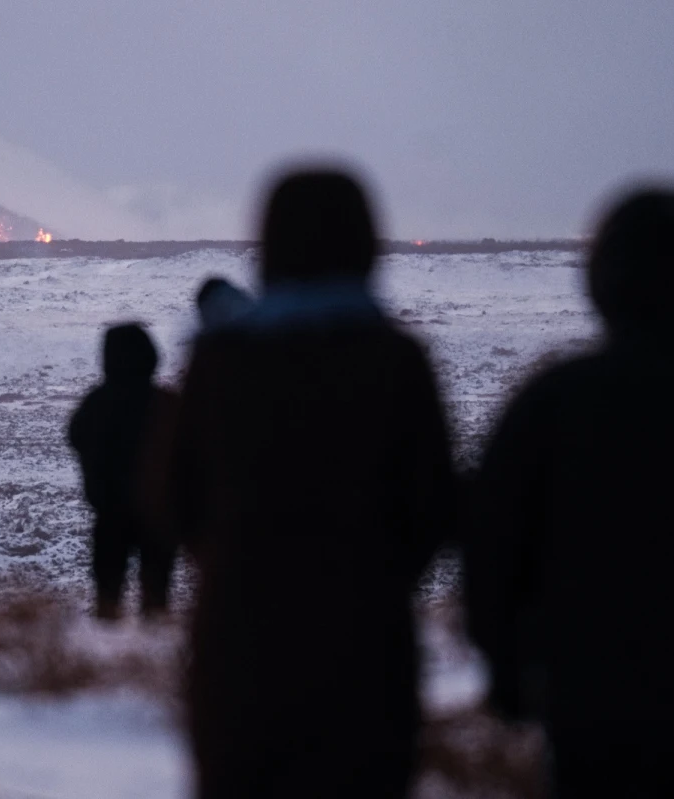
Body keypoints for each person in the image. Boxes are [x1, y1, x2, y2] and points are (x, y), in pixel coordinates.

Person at [170, 168, 455, 797]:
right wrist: (376, 577)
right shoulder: (396, 361)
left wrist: (232, 563)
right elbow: (433, 504)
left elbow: (172, 496)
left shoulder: (221, 362)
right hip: (365, 649)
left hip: (239, 645)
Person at [464, 187, 674, 798]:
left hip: (586, 708)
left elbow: (491, 550)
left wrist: (510, 674)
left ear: (603, 280)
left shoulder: (553, 403)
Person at [68, 323, 178, 620]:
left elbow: (75, 435)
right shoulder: (165, 402)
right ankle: (152, 654)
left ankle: (106, 651)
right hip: (158, 511)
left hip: (110, 510)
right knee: (157, 595)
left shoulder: (98, 401)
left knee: (107, 594)